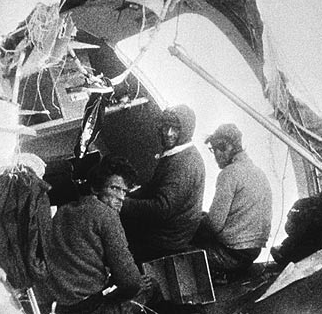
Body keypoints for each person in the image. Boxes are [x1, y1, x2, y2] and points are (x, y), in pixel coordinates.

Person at [45, 157, 157, 314]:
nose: (121, 197)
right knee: (149, 288)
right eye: (114, 188)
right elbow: (131, 283)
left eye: (124, 191)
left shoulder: (64, 210)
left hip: (59, 303)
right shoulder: (106, 215)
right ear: (96, 188)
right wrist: (126, 290)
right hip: (88, 306)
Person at [121, 104, 206, 263]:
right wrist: (127, 194)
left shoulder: (184, 164)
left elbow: (162, 208)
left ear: (186, 131)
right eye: (166, 126)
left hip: (167, 239)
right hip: (171, 231)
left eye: (175, 129)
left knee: (115, 238)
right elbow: (154, 187)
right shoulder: (180, 154)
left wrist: (122, 204)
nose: (168, 133)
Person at [193, 123, 272, 280]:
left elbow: (214, 225)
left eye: (221, 147)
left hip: (232, 253)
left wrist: (192, 223)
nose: (216, 153)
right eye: (214, 148)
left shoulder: (229, 174)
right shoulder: (258, 172)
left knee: (178, 246)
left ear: (234, 147)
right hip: (253, 251)